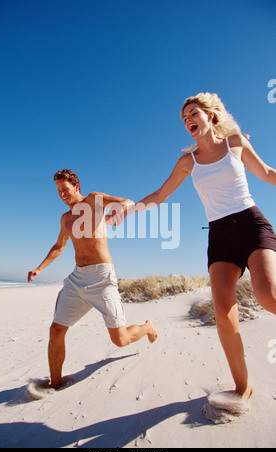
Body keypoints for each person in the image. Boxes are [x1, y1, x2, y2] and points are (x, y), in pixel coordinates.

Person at [107, 92, 276, 405]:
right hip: (220, 235)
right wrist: (128, 209)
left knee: (268, 296)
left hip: (252, 225)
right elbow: (159, 194)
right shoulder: (189, 161)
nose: (187, 121)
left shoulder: (235, 143)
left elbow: (266, 173)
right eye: (184, 119)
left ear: (209, 116)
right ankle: (243, 388)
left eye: (192, 114)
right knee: (224, 316)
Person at [28, 169, 158, 390]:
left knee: (120, 340)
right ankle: (54, 385)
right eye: (58, 191)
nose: (61, 194)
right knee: (56, 330)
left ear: (76, 187)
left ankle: (147, 328)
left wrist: (120, 213)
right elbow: (59, 246)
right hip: (77, 279)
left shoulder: (94, 200)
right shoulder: (66, 219)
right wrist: (39, 268)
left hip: (102, 277)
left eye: (65, 189)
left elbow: (127, 201)